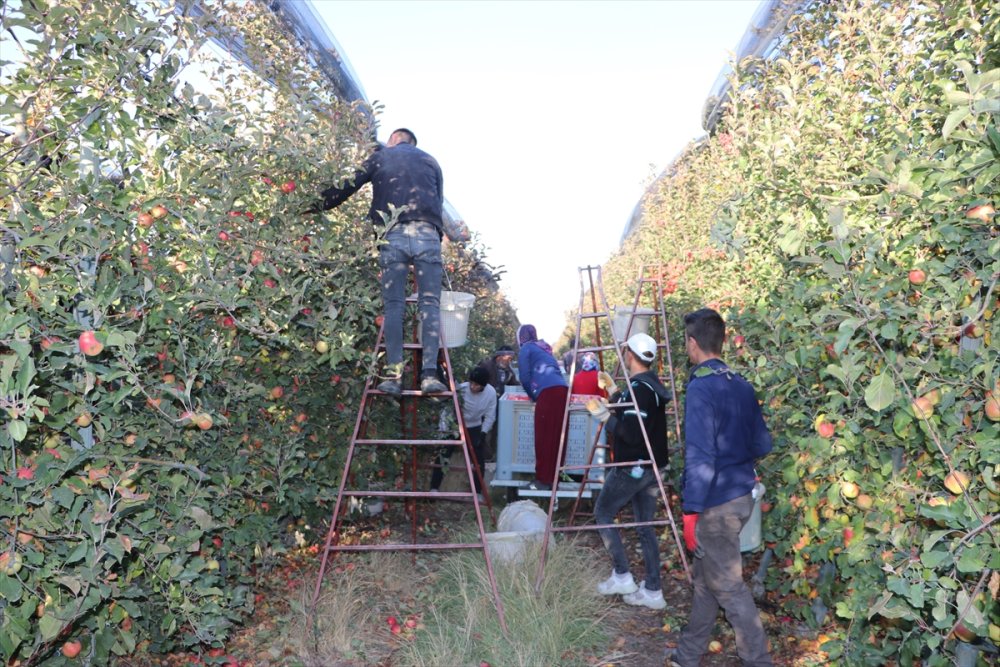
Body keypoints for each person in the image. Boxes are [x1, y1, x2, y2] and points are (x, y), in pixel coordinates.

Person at [670, 308, 773, 666]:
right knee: (706, 583)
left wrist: (690, 511)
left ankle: (758, 661)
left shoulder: (701, 387)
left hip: (716, 505)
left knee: (728, 587)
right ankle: (687, 656)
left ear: (692, 343)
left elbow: (700, 456)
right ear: (723, 341)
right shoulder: (740, 384)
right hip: (741, 495)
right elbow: (762, 443)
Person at [310, 128, 447, 396]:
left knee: (394, 306)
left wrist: (315, 204)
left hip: (392, 234)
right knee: (430, 304)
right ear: (413, 143)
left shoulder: (381, 156)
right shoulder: (431, 161)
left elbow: (348, 185)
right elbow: (438, 202)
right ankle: (429, 375)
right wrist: (434, 235)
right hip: (427, 233)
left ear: (393, 140)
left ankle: (394, 376)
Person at [591, 333, 670, 610]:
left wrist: (604, 417)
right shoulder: (650, 385)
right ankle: (653, 591)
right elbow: (634, 411)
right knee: (644, 526)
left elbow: (632, 433)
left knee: (603, 512)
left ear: (630, 355)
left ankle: (622, 575)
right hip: (652, 466)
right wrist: (614, 392)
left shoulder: (639, 389)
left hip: (633, 466)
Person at [430, 366, 496, 502]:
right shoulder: (462, 389)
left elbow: (490, 415)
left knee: (478, 459)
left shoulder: (491, 393)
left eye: (477, 385)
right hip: (455, 424)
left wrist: (483, 433)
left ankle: (477, 492)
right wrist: (444, 430)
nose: (473, 387)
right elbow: (447, 410)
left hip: (475, 426)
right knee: (443, 455)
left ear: (483, 386)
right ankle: (434, 489)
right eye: (471, 383)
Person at [516, 324, 568, 490]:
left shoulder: (526, 348)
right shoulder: (544, 349)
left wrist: (533, 396)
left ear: (521, 337)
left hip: (547, 393)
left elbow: (524, 377)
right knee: (557, 435)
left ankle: (542, 480)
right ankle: (554, 478)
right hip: (563, 390)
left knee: (543, 435)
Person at [479, 345, 520, 460]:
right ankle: (482, 455)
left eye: (511, 359)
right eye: (508, 358)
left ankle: (491, 455)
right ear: (499, 357)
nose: (510, 361)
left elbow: (514, 384)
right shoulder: (486, 366)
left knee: (496, 430)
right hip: (484, 403)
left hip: (499, 405)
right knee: (484, 428)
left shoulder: (508, 371)